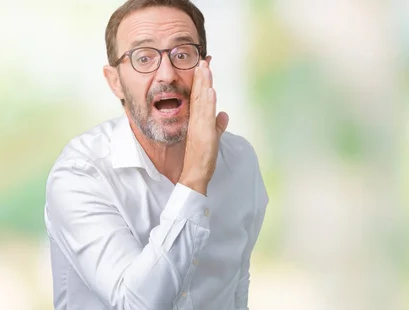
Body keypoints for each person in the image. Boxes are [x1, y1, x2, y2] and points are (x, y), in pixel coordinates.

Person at [43, 0, 268, 309]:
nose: (167, 74)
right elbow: (136, 304)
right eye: (144, 57)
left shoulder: (240, 161)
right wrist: (195, 179)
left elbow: (236, 286)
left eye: (182, 54)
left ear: (205, 69)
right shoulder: (80, 175)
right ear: (115, 82)